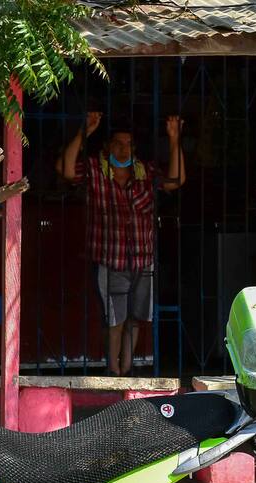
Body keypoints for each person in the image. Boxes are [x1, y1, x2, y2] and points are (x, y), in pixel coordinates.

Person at [57, 105, 185, 376]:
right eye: (117, 144)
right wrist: (83, 133)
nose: (123, 150)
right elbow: (66, 170)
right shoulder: (96, 170)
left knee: (136, 318)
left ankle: (126, 368)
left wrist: (175, 140)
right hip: (110, 260)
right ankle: (113, 370)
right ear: (107, 146)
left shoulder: (145, 172)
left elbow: (176, 180)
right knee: (114, 319)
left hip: (143, 259)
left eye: (128, 145)